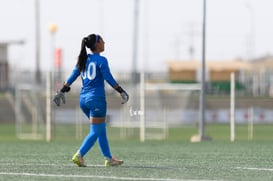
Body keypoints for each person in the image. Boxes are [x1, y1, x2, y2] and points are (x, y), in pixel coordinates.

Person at [53, 34, 129, 167]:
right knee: (96, 131)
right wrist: (121, 91)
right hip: (96, 100)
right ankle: (79, 155)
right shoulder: (101, 60)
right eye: (102, 40)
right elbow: (109, 78)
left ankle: (109, 158)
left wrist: (62, 90)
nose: (104, 42)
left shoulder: (83, 59)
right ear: (97, 44)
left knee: (100, 129)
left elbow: (72, 76)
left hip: (83, 101)